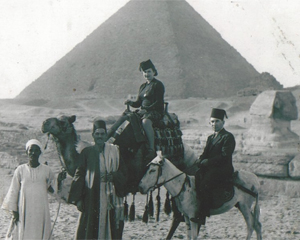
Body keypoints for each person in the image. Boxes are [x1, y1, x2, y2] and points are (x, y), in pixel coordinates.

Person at [68, 119, 127, 240]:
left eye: (102, 134)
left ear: (105, 135)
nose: (100, 136)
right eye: (97, 134)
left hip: (111, 196)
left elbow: (123, 171)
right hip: (92, 195)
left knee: (110, 225)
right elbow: (79, 176)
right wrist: (78, 199)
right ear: (93, 135)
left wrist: (114, 176)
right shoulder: (87, 152)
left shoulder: (114, 151)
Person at [2, 139, 56, 240]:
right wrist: (14, 211)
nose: (33, 153)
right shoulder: (20, 170)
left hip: (41, 210)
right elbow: (13, 190)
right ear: (27, 152)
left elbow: (53, 190)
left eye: (36, 150)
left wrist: (60, 180)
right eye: (31, 150)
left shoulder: (47, 170)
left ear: (40, 152)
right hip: (24, 210)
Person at [191, 108, 235, 225]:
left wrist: (207, 162)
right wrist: (200, 160)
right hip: (211, 167)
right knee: (195, 176)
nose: (214, 124)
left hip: (223, 168)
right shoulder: (211, 138)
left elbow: (224, 156)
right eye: (212, 122)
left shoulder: (228, 137)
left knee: (206, 182)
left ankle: (202, 215)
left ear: (223, 122)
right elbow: (205, 153)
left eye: (217, 121)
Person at [125, 59, 165, 161]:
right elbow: (138, 103)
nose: (147, 74)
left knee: (145, 122)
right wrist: (131, 103)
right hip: (145, 111)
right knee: (128, 118)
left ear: (154, 72)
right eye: (144, 72)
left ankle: (151, 149)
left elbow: (158, 102)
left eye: (149, 71)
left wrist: (146, 110)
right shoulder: (142, 86)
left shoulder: (158, 85)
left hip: (156, 111)